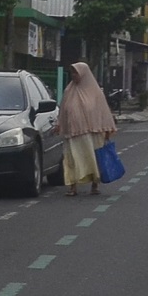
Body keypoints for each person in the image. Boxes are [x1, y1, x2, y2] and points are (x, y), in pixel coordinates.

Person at [54, 61, 117, 198]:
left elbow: (103, 112)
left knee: (93, 159)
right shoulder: (69, 91)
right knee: (72, 160)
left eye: (76, 73)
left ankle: (95, 185)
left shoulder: (95, 93)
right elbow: (63, 110)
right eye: (72, 73)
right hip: (73, 133)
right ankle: (72, 187)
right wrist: (59, 124)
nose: (73, 76)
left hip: (92, 133)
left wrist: (107, 129)